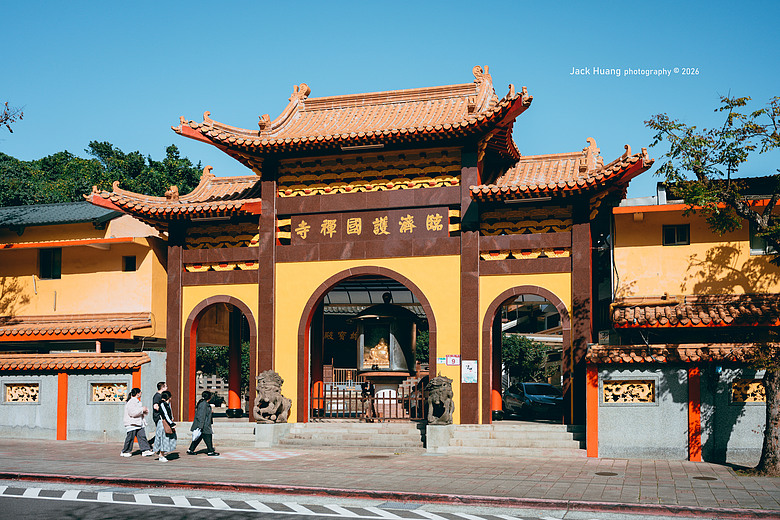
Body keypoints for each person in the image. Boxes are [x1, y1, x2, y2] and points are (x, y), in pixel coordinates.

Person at [121, 388, 154, 457]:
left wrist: (144, 411)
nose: (141, 393)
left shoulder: (137, 402)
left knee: (142, 437)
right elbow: (132, 413)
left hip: (138, 423)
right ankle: (125, 451)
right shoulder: (131, 402)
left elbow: (138, 412)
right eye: (140, 392)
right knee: (130, 438)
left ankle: (145, 450)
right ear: (137, 394)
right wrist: (142, 409)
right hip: (132, 423)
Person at [187, 391, 219, 456]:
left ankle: (191, 449)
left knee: (198, 438)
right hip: (204, 425)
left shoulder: (204, 404)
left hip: (204, 424)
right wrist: (200, 426)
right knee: (208, 437)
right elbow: (201, 416)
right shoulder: (203, 404)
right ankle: (210, 451)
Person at [154, 390, 177, 462]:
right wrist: (171, 423)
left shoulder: (165, 404)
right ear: (169, 397)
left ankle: (161, 453)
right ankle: (161, 455)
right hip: (164, 424)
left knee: (165, 439)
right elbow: (165, 415)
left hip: (165, 423)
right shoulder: (162, 404)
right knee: (163, 439)